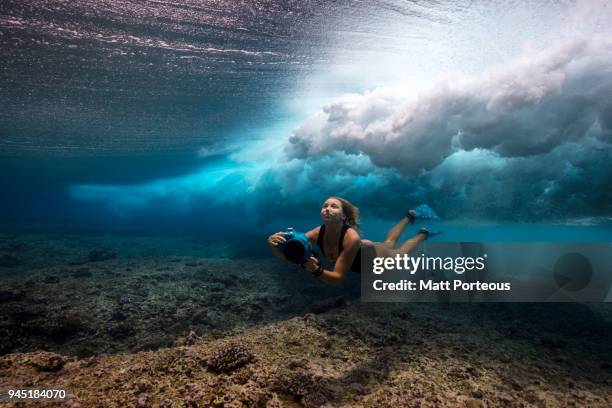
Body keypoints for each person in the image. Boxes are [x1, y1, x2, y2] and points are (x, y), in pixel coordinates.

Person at [267, 197, 440, 286]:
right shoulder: (315, 233)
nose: (327, 209)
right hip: (364, 249)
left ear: (343, 215)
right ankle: (410, 216)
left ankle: (423, 233)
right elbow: (290, 256)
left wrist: (317, 270)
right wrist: (276, 244)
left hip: (376, 259)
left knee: (398, 251)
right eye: (325, 206)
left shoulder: (351, 238)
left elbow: (337, 279)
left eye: (334, 206)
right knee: (388, 241)